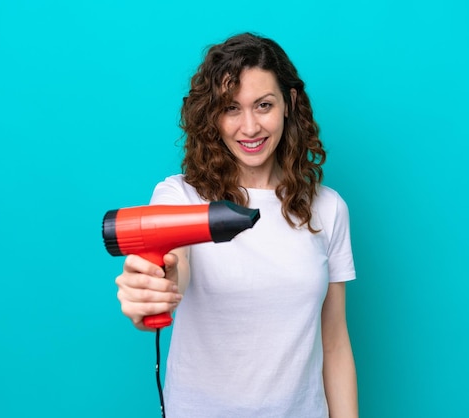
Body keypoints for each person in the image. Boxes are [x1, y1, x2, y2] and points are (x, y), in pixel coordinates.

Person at [115, 32, 358, 418]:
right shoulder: (180, 197)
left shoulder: (328, 209)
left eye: (263, 105)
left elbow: (334, 341)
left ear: (289, 103)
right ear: (212, 114)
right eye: (231, 108)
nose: (249, 127)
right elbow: (174, 266)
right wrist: (154, 287)